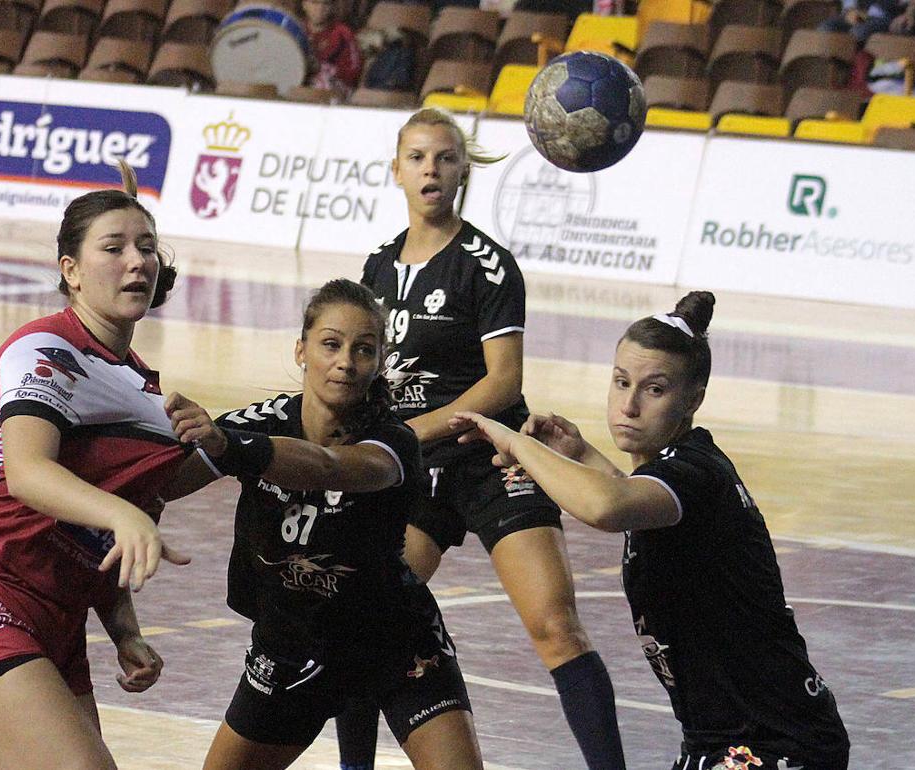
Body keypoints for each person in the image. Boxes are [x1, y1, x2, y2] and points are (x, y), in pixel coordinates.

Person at [335, 107, 626, 770]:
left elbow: (502, 382)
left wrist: (409, 433)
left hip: (492, 456)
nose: (430, 170)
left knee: (555, 627)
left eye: (443, 157)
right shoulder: (376, 269)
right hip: (415, 473)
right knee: (362, 620)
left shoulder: (487, 265)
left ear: (463, 170)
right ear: (396, 171)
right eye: (417, 158)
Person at [452, 291, 852, 770]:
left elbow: (606, 506)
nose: (630, 405)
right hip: (720, 741)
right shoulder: (671, 475)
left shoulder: (696, 472)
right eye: (621, 383)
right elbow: (629, 496)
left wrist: (514, 441)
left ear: (693, 399)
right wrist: (577, 453)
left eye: (654, 389)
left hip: (778, 744)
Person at [0, 167, 190, 770]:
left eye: (145, 247)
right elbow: (28, 474)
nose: (136, 262)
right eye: (113, 249)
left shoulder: (140, 384)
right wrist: (128, 515)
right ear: (71, 270)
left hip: (55, 618)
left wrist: (124, 629)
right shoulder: (46, 350)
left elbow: (93, 532)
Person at [160, 278, 485, 770]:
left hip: (395, 646)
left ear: (380, 362)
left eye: (364, 350)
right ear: (301, 350)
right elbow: (165, 486)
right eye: (331, 344)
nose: (346, 362)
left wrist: (229, 445)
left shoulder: (393, 441)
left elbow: (330, 467)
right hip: (293, 646)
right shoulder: (258, 423)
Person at [304, 0, 363, 96]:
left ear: (332, 7)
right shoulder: (297, 28)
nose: (320, 9)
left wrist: (324, 71)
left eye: (326, 4)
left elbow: (353, 72)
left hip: (334, 90)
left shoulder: (342, 33)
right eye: (314, 3)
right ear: (304, 4)